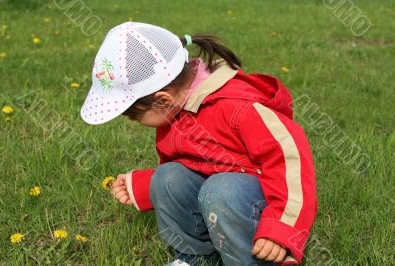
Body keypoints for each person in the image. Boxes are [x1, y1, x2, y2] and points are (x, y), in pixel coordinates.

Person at [80, 21, 317, 266]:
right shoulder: (174, 113)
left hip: (259, 207)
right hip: (223, 195)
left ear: (162, 100)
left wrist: (280, 228)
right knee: (168, 175)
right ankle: (196, 259)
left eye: (134, 115)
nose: (133, 122)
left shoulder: (237, 107)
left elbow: (290, 161)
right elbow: (194, 164)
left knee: (222, 188)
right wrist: (147, 185)